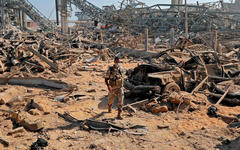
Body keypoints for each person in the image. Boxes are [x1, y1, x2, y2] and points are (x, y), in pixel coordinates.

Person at [104, 54, 124, 119]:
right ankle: (109, 107)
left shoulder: (121, 69)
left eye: (118, 61)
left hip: (119, 87)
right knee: (110, 100)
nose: (117, 63)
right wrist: (108, 86)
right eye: (116, 61)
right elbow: (106, 79)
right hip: (112, 88)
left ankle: (119, 114)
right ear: (114, 61)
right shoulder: (110, 69)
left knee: (121, 101)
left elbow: (122, 77)